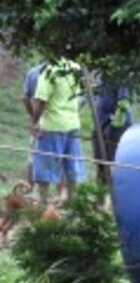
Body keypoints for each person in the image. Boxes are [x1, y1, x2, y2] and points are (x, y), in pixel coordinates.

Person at [28, 58, 87, 202]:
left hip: (52, 125)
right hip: (73, 124)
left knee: (45, 165)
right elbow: (81, 98)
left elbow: (41, 100)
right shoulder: (76, 68)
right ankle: (72, 202)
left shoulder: (49, 71)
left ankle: (43, 202)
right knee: (71, 164)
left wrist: (35, 122)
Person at [91, 80, 133, 186]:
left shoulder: (119, 75)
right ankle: (100, 196)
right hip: (100, 124)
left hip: (115, 128)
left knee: (114, 164)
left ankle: (113, 198)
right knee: (100, 163)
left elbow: (123, 103)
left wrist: (113, 126)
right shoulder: (102, 76)